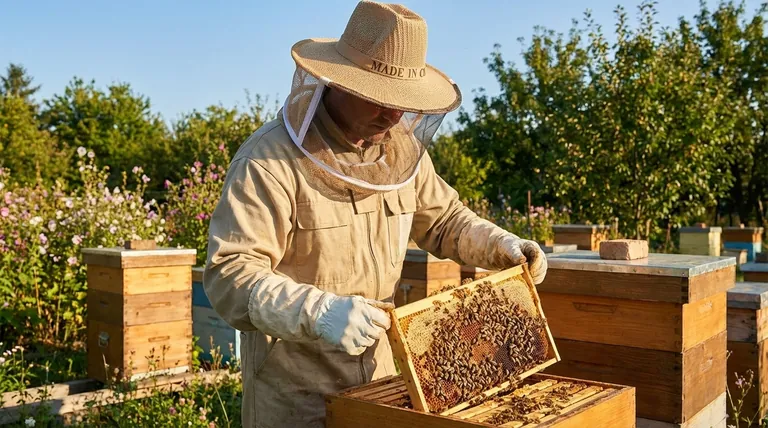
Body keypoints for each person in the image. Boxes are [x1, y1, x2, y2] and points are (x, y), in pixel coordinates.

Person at [203, 1, 548, 427]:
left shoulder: (402, 153)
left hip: (381, 385)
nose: (394, 114)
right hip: (297, 397)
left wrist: (501, 245)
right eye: (381, 98)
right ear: (341, 83)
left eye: (403, 101)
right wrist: (317, 312)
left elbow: (444, 220)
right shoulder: (268, 161)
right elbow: (231, 274)